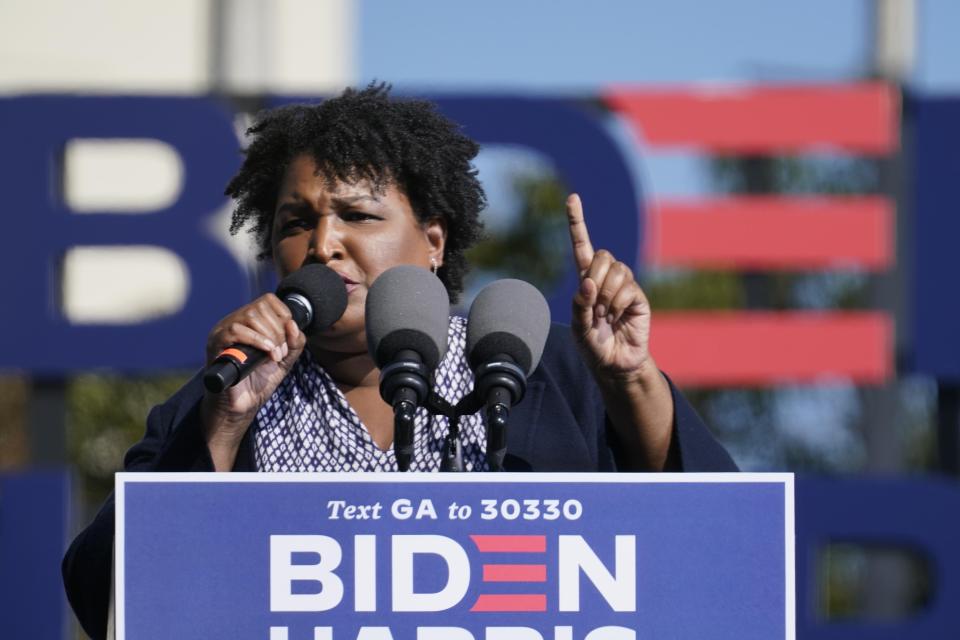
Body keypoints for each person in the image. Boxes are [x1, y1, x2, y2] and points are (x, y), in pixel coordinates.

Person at [62, 84, 737, 639]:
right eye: (295, 222)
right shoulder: (226, 393)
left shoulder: (543, 364)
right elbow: (108, 597)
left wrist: (630, 379)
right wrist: (223, 424)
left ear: (433, 242)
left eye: (358, 215)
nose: (323, 243)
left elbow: (716, 552)